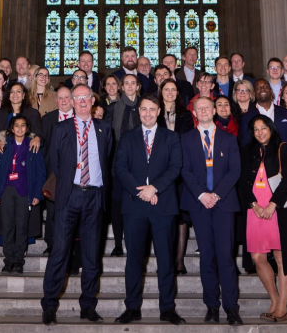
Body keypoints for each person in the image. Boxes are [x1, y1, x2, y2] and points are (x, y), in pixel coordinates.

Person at [41, 84, 112, 325]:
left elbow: (106, 161)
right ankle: (49, 304)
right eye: (77, 97)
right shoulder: (60, 129)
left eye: (86, 97)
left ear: (93, 101)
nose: (82, 101)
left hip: (94, 196)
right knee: (59, 252)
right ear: (71, 101)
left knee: (92, 254)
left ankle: (88, 305)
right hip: (69, 196)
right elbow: (55, 163)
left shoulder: (105, 129)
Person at [114, 94, 185, 326]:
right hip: (134, 206)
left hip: (163, 206)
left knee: (165, 259)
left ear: (159, 111)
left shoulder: (171, 137)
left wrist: (154, 188)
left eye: (151, 109)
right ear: (139, 111)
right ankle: (132, 308)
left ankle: (167, 309)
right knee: (134, 260)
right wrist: (140, 192)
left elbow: (175, 168)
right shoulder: (127, 137)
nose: (147, 113)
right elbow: (120, 168)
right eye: (143, 109)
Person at [181, 96, 243, 326]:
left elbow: (235, 170)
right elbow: (184, 170)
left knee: (226, 256)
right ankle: (212, 306)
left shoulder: (228, 138)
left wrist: (216, 195)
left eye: (208, 107)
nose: (204, 110)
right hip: (199, 204)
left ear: (214, 111)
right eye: (200, 108)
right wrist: (202, 195)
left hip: (223, 203)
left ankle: (231, 307)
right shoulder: (186, 139)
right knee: (207, 256)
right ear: (194, 113)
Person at [242, 115, 287, 323]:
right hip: (255, 210)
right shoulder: (247, 151)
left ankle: (282, 307)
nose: (260, 132)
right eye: (256, 129)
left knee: (282, 259)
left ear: (271, 129)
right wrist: (254, 205)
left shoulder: (283, 148)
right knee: (257, 258)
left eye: (264, 128)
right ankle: (274, 300)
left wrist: (272, 205)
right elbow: (242, 181)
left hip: (279, 210)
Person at [0, 115, 46, 273]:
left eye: (23, 125)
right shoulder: (3, 145)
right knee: (7, 224)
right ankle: (8, 259)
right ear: (11, 129)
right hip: (7, 190)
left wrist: (37, 194)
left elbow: (40, 172)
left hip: (25, 190)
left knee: (22, 225)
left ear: (27, 129)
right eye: (16, 125)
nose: (20, 128)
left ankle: (19, 259)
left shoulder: (33, 146)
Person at [158, 78, 194, 274]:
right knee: (162, 217)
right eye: (166, 89)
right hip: (159, 169)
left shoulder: (185, 115)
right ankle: (164, 262)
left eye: (173, 89)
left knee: (180, 217)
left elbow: (187, 140)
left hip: (180, 169)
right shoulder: (154, 113)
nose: (170, 92)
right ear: (161, 91)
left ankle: (179, 260)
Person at [105, 74, 142, 256]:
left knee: (137, 205)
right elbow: (107, 136)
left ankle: (135, 244)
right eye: (126, 83)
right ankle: (118, 244)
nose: (129, 86)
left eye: (132, 83)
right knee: (118, 204)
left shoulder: (145, 105)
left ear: (137, 86)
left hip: (141, 163)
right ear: (121, 86)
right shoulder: (113, 108)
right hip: (118, 163)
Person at [41, 87, 73, 255]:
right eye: (60, 98)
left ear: (72, 99)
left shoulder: (80, 117)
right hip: (53, 172)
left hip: (75, 172)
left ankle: (70, 243)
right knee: (52, 210)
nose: (63, 101)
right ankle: (51, 243)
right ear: (56, 101)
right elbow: (44, 147)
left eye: (67, 97)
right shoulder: (48, 119)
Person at [239, 79, 287, 160]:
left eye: (265, 86)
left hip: (285, 163)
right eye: (258, 87)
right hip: (260, 166)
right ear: (253, 93)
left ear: (271, 91)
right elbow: (245, 145)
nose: (262, 89)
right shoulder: (247, 117)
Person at [0, 83, 43, 151]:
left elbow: (40, 135)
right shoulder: (1, 113)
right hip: (5, 152)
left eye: (18, 91)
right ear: (8, 96)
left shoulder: (33, 113)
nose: (15, 94)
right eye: (12, 92)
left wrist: (37, 138)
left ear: (23, 95)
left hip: (27, 152)